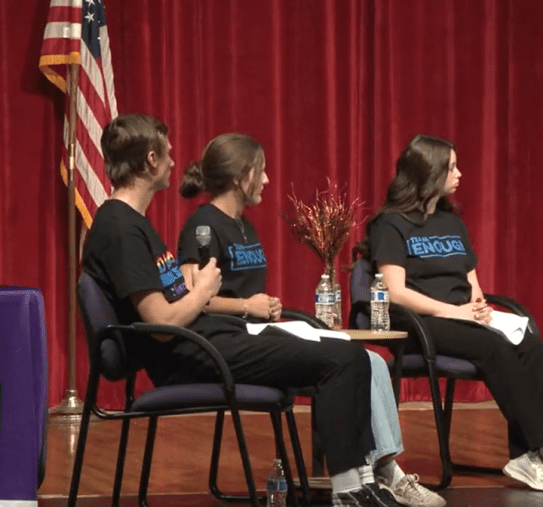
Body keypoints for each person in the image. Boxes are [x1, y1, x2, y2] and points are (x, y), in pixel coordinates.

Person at [82, 114, 400, 507]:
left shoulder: (132, 222)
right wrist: (204, 291)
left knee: (347, 352)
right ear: (150, 160)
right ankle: (349, 491)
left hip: (208, 337)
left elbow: (173, 303)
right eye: (167, 153)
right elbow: (162, 323)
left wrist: (205, 297)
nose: (174, 161)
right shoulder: (120, 227)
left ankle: (361, 483)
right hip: (188, 352)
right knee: (342, 359)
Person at [176, 133, 445, 507]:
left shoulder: (243, 225)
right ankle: (353, 484)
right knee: (343, 359)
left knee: (365, 358)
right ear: (240, 177)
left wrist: (263, 306)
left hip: (257, 330)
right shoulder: (202, 225)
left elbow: (243, 295)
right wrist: (245, 306)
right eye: (261, 171)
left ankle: (375, 476)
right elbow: (193, 298)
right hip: (225, 340)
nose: (267, 179)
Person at [358, 134, 543, 492]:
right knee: (493, 346)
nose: (459, 174)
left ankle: (523, 455)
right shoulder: (390, 224)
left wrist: (477, 305)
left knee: (528, 339)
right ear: (428, 173)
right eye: (451, 168)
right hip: (419, 323)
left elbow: (471, 280)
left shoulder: (452, 222)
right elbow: (396, 292)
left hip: (462, 317)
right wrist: (455, 312)